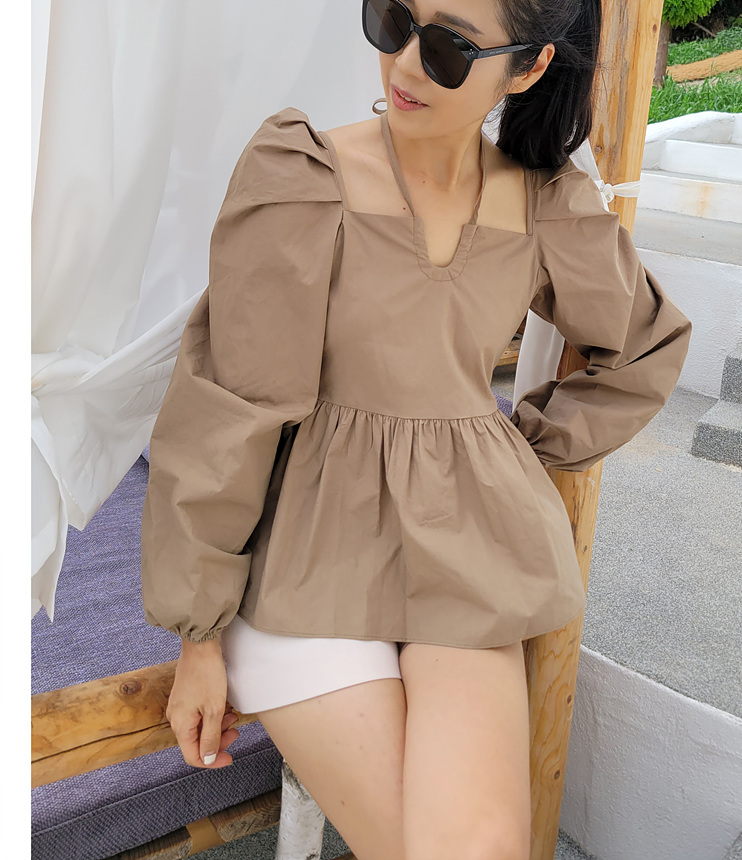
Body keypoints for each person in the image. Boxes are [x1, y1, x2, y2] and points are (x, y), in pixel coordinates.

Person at [140, 0, 692, 857]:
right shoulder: (302, 174)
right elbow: (231, 409)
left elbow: (646, 345)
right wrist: (198, 637)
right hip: (306, 560)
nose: (404, 64)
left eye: (448, 47)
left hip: (467, 557)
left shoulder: (546, 203)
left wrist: (521, 451)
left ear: (530, 66)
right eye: (394, 20)